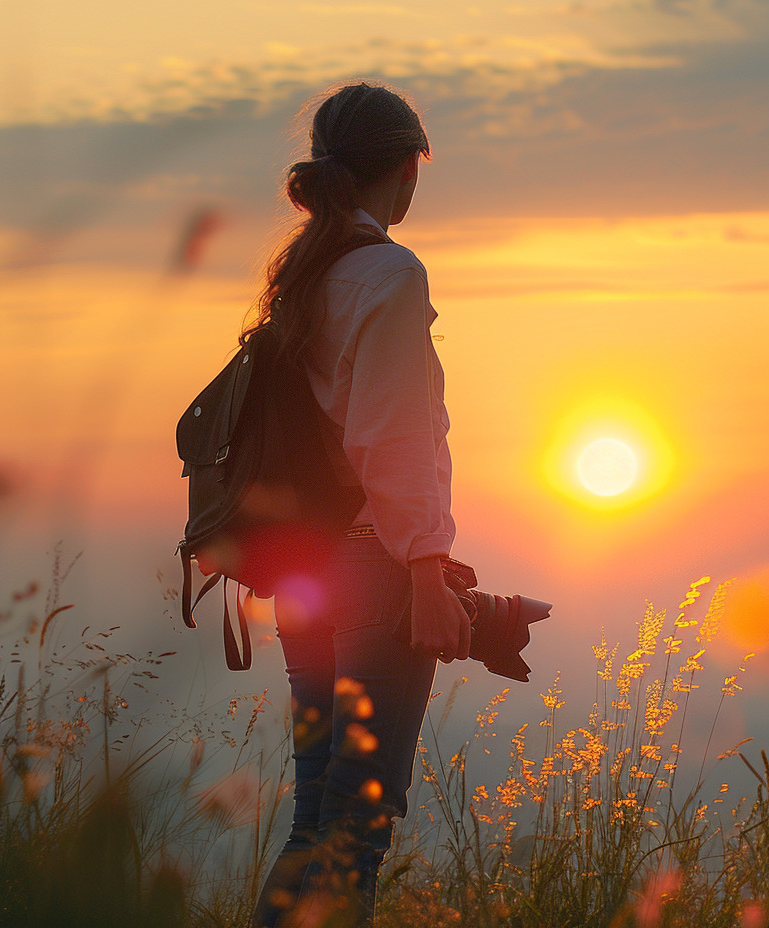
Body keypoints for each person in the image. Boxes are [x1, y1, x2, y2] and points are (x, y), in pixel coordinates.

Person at [246, 82, 470, 928]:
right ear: (405, 169)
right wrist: (426, 570)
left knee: (315, 820)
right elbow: (394, 437)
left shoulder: (308, 271)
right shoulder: (388, 272)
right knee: (358, 826)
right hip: (374, 564)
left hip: (307, 567)